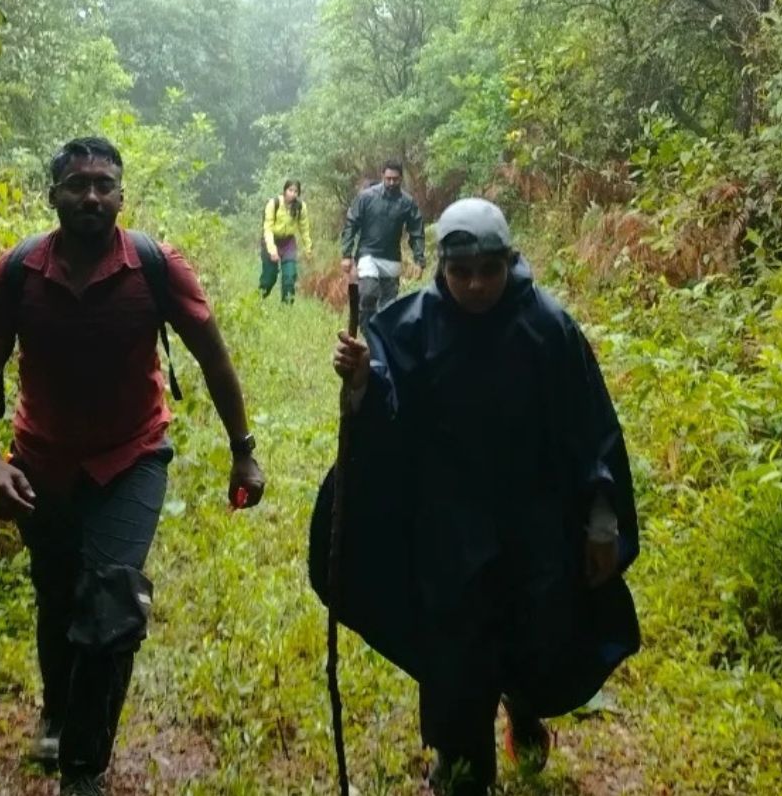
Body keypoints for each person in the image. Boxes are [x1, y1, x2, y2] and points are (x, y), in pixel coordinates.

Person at [0, 136, 267, 796]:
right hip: (40, 461)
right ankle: (56, 708)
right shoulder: (16, 273)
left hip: (132, 457)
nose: (92, 195)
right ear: (55, 196)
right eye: (78, 184)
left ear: (122, 195)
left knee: (112, 600)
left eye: (104, 184)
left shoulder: (155, 267)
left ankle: (83, 765)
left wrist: (244, 452)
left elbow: (214, 360)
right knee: (57, 594)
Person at [311, 198, 640, 796]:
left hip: (533, 524)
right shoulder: (409, 324)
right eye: (461, 272)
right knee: (455, 646)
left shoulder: (547, 327)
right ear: (441, 267)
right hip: (448, 527)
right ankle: (459, 766)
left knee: (534, 631)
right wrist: (363, 380)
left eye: (489, 270)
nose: (476, 284)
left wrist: (599, 521)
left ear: (509, 262)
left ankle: (520, 700)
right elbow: (390, 414)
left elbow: (587, 427)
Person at [340, 160, 426, 323]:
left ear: (401, 178)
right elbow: (351, 223)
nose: (391, 183)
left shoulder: (407, 203)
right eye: (388, 179)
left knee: (389, 307)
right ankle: (366, 330)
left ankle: (379, 340)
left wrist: (419, 260)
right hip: (368, 255)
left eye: (395, 179)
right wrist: (346, 254)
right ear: (382, 176)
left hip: (392, 258)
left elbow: (416, 231)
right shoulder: (366, 197)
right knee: (369, 294)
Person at [257, 178, 309, 303]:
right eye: (290, 190)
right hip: (271, 241)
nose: (293, 194)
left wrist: (308, 248)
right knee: (269, 278)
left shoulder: (300, 207)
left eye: (296, 191)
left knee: (289, 276)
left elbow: (304, 229)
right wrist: (272, 250)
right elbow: (267, 229)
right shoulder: (273, 204)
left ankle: (287, 308)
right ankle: (258, 300)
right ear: (285, 191)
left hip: (288, 243)